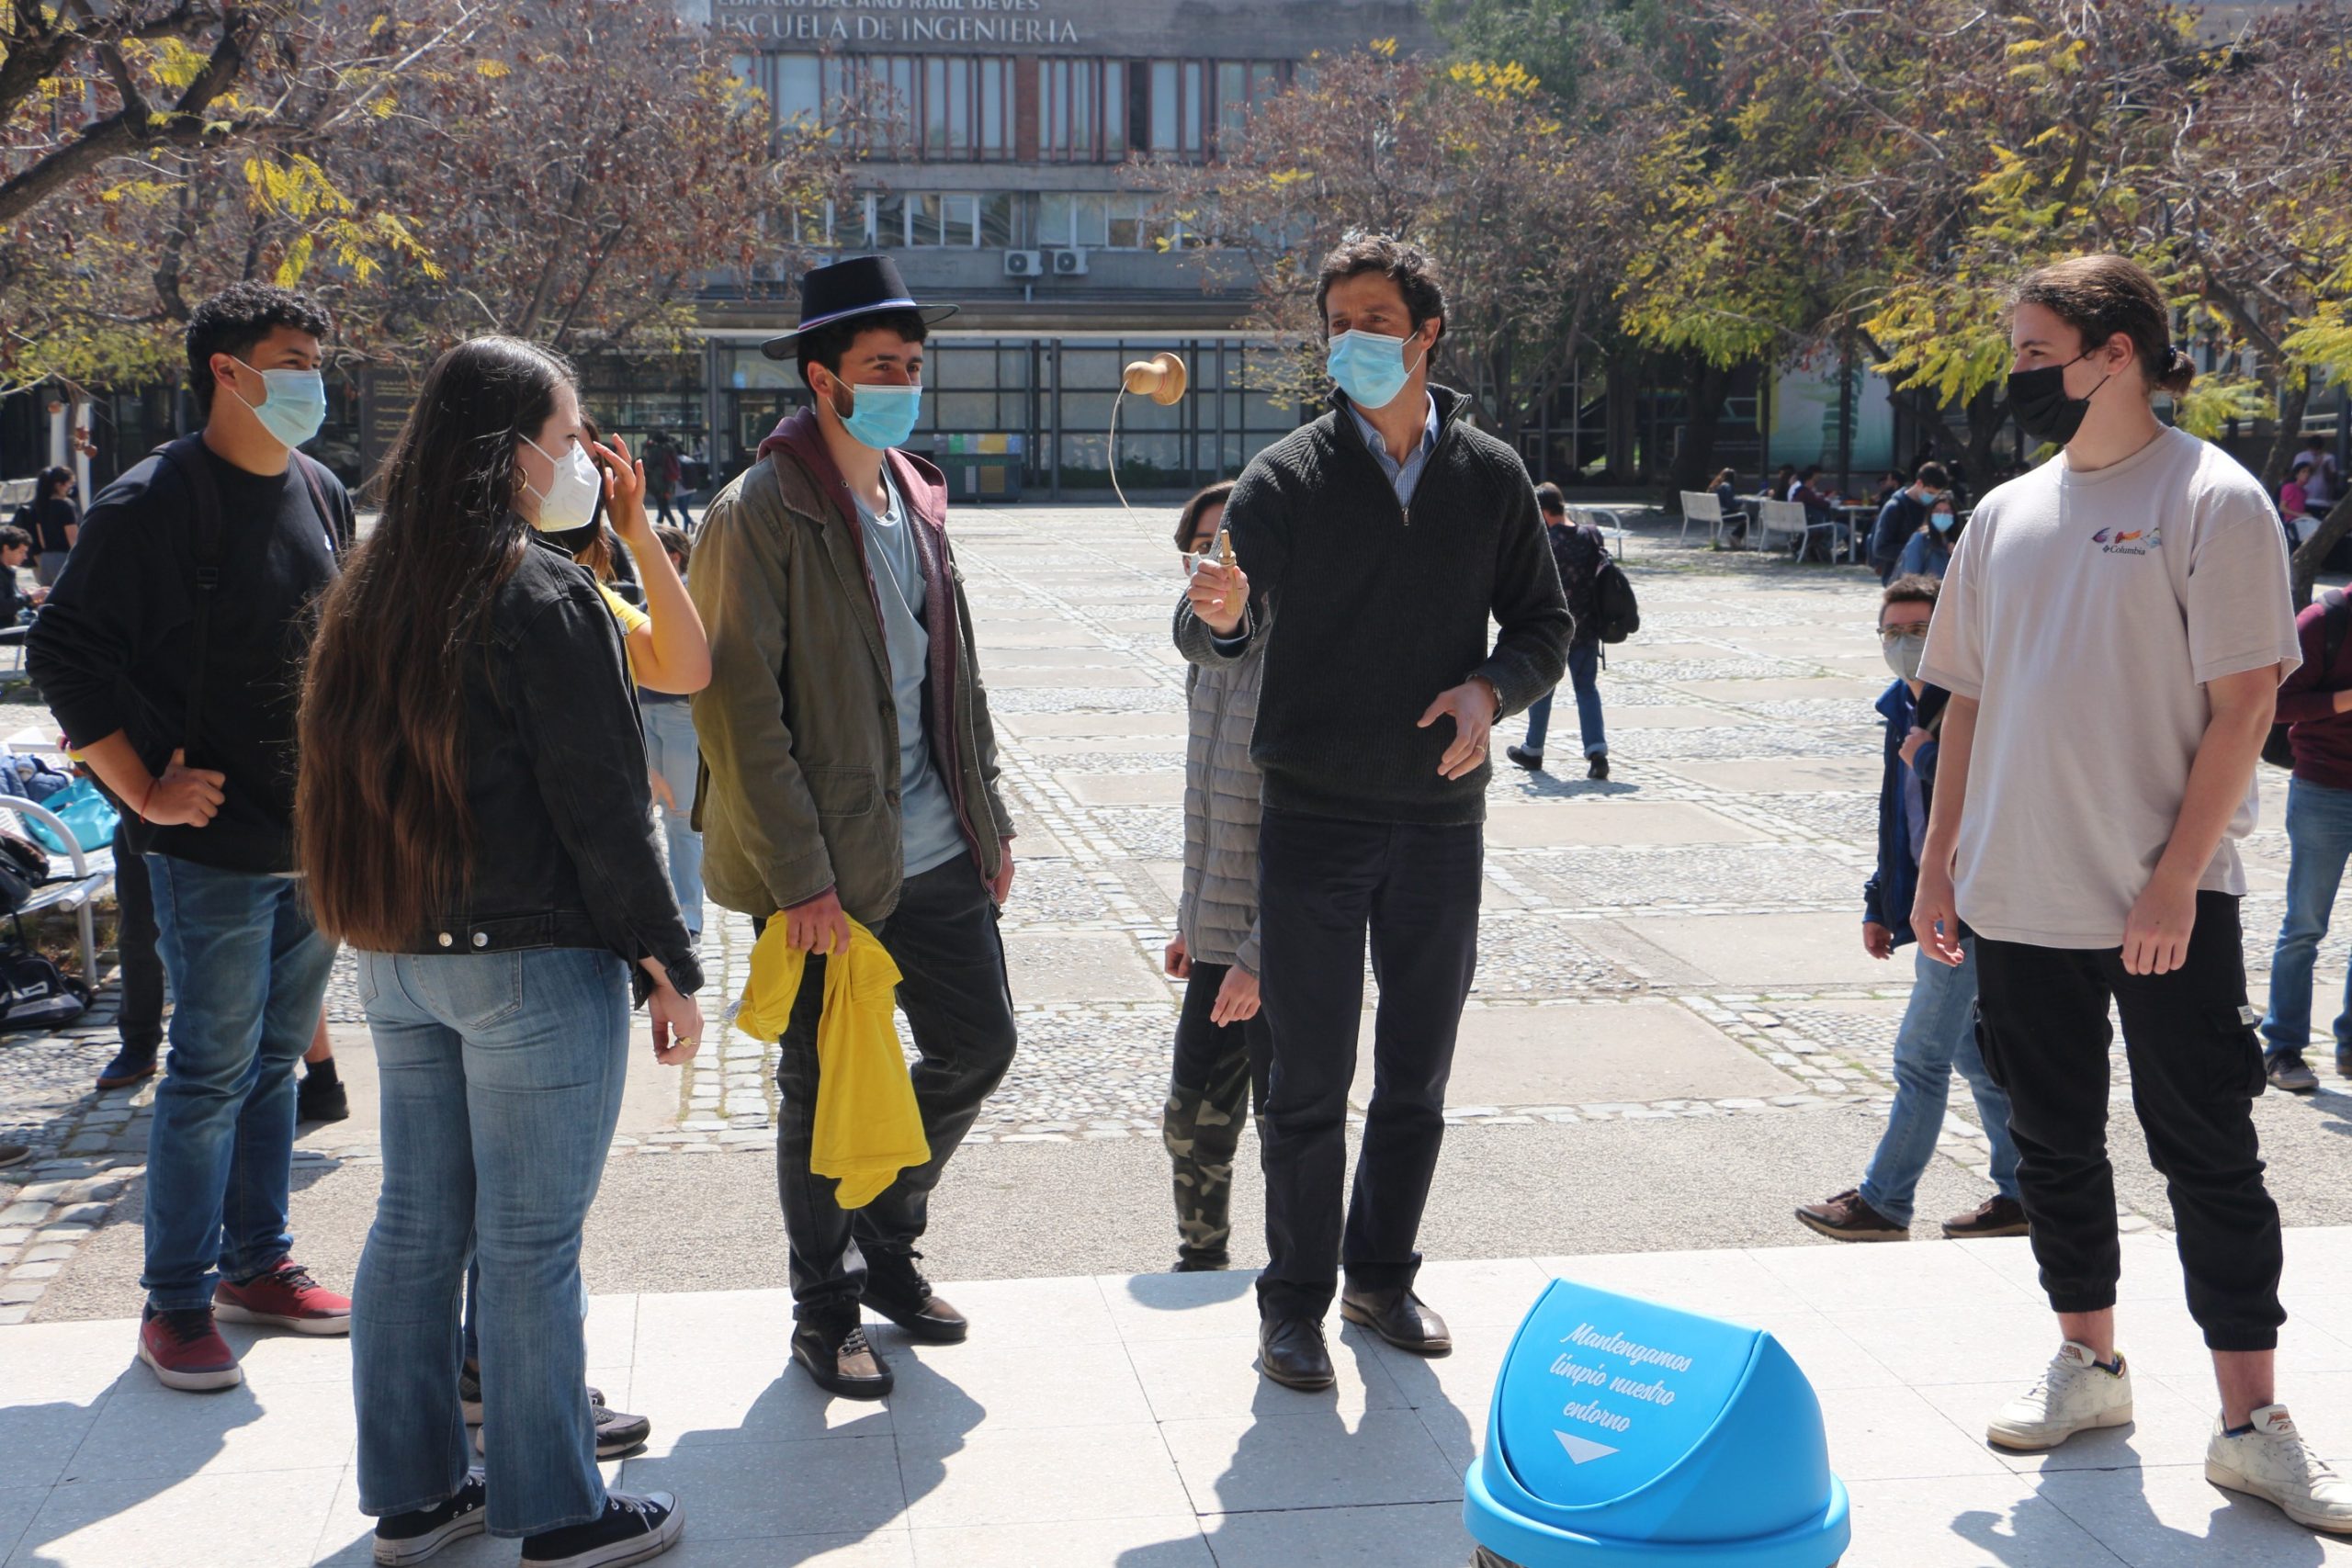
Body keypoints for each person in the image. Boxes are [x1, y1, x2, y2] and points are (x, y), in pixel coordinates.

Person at [1912, 253, 2352, 1530]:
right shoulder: (2003, 513)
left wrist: (2171, 883)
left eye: (2035, 350)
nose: (2016, 373)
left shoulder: (2213, 498)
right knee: (2051, 1144)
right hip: (2016, 892)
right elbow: (1965, 700)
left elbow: (2247, 704)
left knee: (2207, 1147)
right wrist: (1940, 861)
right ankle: (2089, 1364)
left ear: (2116, 354)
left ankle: (2251, 1423)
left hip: (2166, 900)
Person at [299, 335, 702, 1567]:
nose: (582, 456)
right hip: (531, 960)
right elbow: (602, 802)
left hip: (401, 953)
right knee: (530, 1243)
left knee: (416, 1227)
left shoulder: (371, 585)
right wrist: (667, 961)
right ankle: (559, 1509)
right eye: (569, 434)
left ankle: (417, 1496)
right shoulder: (541, 591)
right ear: (513, 448)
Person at [1181, 234, 1570, 1393]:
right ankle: (1292, 1303)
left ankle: (1382, 1278)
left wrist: (1489, 690)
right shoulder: (1284, 476)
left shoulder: (1490, 476)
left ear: (1427, 334)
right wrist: (1224, 611)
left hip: (1440, 823)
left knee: (1415, 1072)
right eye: (1338, 323)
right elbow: (1218, 624)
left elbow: (1544, 625)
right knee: (1305, 1081)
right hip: (1314, 819)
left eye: (1376, 321)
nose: (1353, 340)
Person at [691, 255, 1019, 1401]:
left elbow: (958, 677)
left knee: (979, 1047)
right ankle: (823, 1311)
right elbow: (739, 717)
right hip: (826, 864)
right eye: (881, 366)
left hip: (938, 845)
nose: (901, 385)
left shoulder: (915, 494)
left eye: (912, 366)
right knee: (821, 1086)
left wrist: (990, 818)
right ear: (821, 378)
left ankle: (885, 1238)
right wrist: (800, 880)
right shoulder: (758, 510)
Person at [29, 282, 355, 1392]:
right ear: (226, 369)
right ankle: (173, 1301)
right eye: (293, 358)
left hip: (313, 843)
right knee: (209, 1072)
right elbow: (62, 652)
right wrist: (140, 791)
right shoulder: (151, 502)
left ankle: (256, 1265)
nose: (313, 379)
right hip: (208, 852)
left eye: (317, 360)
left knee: (273, 1064)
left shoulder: (319, 488)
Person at [1795, 573, 2023, 1243]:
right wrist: (1880, 900)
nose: (1904, 642)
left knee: (1919, 1056)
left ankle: (1884, 1202)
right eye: (1892, 631)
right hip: (1930, 903)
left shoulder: (1975, 701)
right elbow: (1898, 816)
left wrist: (1928, 759)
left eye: (1919, 630)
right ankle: (2024, 1193)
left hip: (1970, 904)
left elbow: (1992, 801)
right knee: (1970, 1056)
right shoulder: (1900, 704)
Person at [1161, 480, 1272, 1272]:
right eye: (1200, 547)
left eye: (1226, 546)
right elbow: (1210, 808)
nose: (1211, 562)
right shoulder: (1205, 655)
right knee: (1193, 1119)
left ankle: (1302, 1273)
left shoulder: (1292, 650)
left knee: (1289, 1126)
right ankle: (1202, 1259)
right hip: (1218, 933)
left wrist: (1261, 954)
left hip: (1279, 944)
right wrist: (1191, 919)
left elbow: (1313, 831)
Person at [2256, 588, 2352, 1094]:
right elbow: (2275, 704)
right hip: (2324, 791)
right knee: (2304, 926)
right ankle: (2282, 1047)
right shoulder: (2323, 621)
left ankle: (2349, 1047)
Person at [1507, 482, 1608, 779]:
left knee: (1542, 690)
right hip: (1587, 628)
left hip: (1553, 631)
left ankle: (1533, 750)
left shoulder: (1546, 542)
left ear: (1543, 511)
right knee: (1586, 689)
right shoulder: (1590, 535)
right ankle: (1597, 754)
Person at [639, 524, 706, 943]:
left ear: (675, 558)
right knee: (654, 813)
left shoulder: (684, 593)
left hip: (679, 715)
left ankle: (688, 914)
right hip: (647, 711)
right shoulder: (657, 593)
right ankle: (668, 910)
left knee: (680, 817)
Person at [1869, 461, 1951, 583]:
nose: (1933, 498)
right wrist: (1917, 549)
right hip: (1899, 577)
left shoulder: (1934, 506)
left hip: (1931, 575)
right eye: (1930, 493)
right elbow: (1880, 549)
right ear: (1919, 483)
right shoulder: (1894, 508)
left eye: (1937, 494)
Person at [1894, 491, 1963, 580]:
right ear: (1931, 514)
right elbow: (1910, 576)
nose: (1942, 515)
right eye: (1937, 511)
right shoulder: (1920, 539)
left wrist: (1957, 557)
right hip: (1927, 588)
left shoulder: (1957, 542)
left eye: (1947, 512)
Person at [28, 467, 77, 588]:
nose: (71, 487)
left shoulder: (39, 505)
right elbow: (73, 539)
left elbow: (42, 540)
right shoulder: (66, 505)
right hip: (63, 558)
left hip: (46, 559)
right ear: (59, 485)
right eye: (70, 483)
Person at [0, 525, 45, 623]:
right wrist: (29, 597)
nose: (25, 557)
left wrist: (30, 598)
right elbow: (2, 607)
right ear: (6, 548)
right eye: (21, 552)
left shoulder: (7, 570)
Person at [1709, 467, 1749, 547]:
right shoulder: (1727, 486)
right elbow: (1731, 504)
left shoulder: (1716, 486)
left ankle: (1736, 537)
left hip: (1714, 513)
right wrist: (1741, 501)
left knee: (1744, 514)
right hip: (1723, 515)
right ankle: (1736, 536)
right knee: (1750, 517)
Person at [2281, 460, 2316, 546]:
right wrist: (2301, 515)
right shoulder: (2289, 487)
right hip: (2291, 524)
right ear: (2297, 474)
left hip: (2302, 522)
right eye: (2304, 471)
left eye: (2308, 472)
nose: (2307, 474)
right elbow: (2282, 507)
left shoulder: (2304, 492)